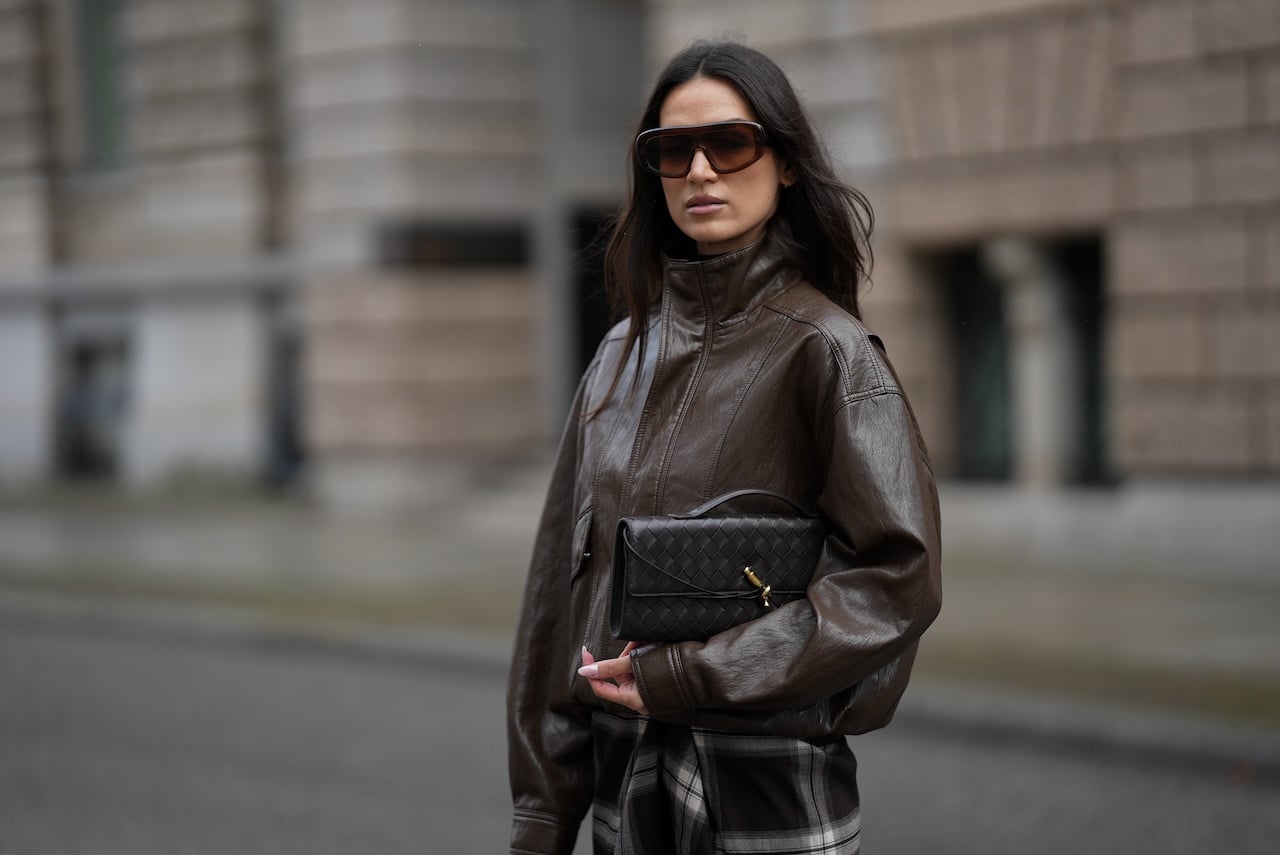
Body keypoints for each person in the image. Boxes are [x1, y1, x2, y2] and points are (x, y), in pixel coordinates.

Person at [507, 40, 942, 855]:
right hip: (621, 767)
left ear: (783, 164)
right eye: (674, 150)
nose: (701, 170)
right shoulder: (617, 357)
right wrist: (542, 810)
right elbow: (557, 599)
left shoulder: (830, 351)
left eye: (731, 143)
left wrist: (687, 676)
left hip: (767, 773)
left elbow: (897, 581)